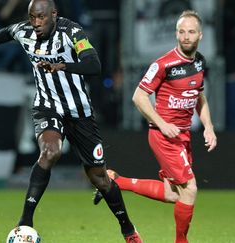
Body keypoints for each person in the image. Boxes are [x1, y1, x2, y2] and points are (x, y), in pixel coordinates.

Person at [0, 0, 142, 242]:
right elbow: (3, 33)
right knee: (49, 152)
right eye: (32, 17)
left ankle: (128, 230)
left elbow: (94, 65)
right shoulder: (24, 32)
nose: (36, 23)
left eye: (41, 18)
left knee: (99, 179)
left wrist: (61, 65)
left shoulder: (72, 32)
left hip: (79, 112)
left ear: (54, 15)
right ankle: (25, 221)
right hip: (47, 107)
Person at [93, 10, 217, 243]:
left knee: (173, 194)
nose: (186, 36)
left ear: (200, 35)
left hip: (183, 135)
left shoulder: (200, 61)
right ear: (176, 34)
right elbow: (139, 97)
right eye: (181, 31)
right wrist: (162, 123)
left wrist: (208, 126)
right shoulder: (163, 64)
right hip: (163, 135)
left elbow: (199, 96)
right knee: (190, 189)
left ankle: (115, 181)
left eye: (191, 32)